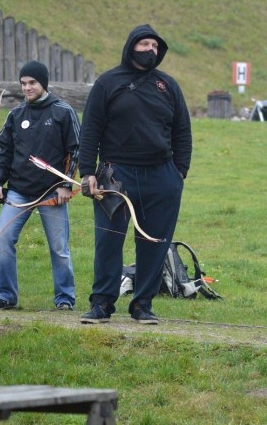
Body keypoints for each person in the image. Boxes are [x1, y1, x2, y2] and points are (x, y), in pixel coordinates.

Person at [78, 24, 192, 325]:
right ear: (131, 47)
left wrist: (178, 173)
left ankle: (142, 304)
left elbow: (182, 130)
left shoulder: (168, 86)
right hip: (117, 174)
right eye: (144, 44)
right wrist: (87, 171)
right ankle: (102, 303)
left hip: (161, 176)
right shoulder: (107, 83)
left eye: (155, 46)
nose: (150, 50)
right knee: (109, 241)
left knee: (154, 242)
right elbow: (90, 129)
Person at [0, 61, 80, 311]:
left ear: (43, 84)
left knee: (59, 249)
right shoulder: (16, 115)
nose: (27, 88)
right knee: (4, 240)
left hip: (52, 192)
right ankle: (6, 295)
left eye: (32, 83)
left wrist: (66, 185)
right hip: (18, 191)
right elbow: (4, 151)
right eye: (23, 83)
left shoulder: (63, 112)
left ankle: (64, 299)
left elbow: (76, 150)